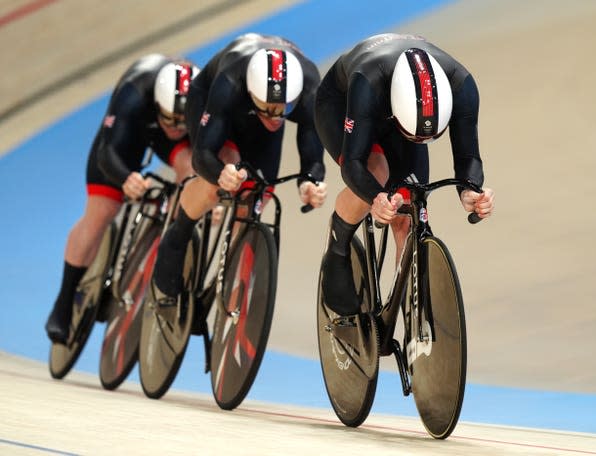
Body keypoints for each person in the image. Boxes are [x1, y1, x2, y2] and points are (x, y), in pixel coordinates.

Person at [315, 33, 495, 316]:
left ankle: (411, 322)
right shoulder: (367, 81)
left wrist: (470, 191)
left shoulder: (462, 87)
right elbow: (353, 164)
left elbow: (468, 156)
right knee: (377, 170)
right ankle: (338, 246)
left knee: (407, 211)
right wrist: (375, 197)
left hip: (403, 112)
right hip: (343, 102)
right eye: (415, 136)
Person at [151, 33, 327, 304]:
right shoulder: (230, 82)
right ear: (252, 93)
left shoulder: (307, 88)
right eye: (270, 107)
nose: (278, 116)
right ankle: (177, 235)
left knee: (259, 193)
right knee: (217, 182)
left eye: (285, 108)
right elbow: (203, 155)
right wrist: (220, 173)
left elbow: (311, 141)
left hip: (256, 112)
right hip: (211, 101)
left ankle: (230, 279)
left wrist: (309, 180)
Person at [45, 54, 201, 343]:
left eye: (182, 123)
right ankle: (64, 302)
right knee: (102, 212)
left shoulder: (198, 100)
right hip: (130, 133)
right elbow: (107, 152)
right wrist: (126, 177)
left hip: (175, 140)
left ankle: (171, 237)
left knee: (191, 169)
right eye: (170, 120)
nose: (175, 127)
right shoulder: (134, 92)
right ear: (157, 104)